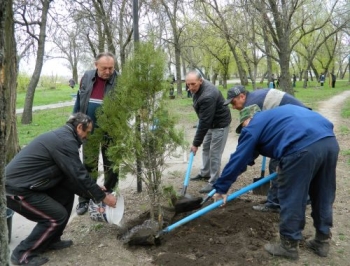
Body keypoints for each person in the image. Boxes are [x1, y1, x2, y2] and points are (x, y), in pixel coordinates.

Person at [213, 104, 338, 260]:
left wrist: (222, 187)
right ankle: (322, 241)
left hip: (301, 149)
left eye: (242, 125)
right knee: (323, 192)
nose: (243, 130)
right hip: (328, 141)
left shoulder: (253, 125)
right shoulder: (277, 115)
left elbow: (239, 158)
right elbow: (259, 150)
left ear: (249, 119)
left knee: (293, 196)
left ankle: (289, 245)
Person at [6, 113, 118, 266]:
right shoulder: (65, 142)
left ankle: (51, 240)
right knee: (55, 217)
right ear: (79, 127)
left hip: (30, 184)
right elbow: (79, 175)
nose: (87, 136)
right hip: (16, 190)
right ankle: (21, 254)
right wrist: (103, 197)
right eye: (87, 132)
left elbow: (71, 177)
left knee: (65, 193)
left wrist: (95, 189)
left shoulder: (64, 137)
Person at [223, 85, 310, 213]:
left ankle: (275, 203)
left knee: (277, 165)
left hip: (299, 126)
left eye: (234, 102)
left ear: (242, 96)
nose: (233, 107)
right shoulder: (255, 97)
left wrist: (241, 163)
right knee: (286, 165)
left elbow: (254, 141)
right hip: (302, 123)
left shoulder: (252, 106)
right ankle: (292, 198)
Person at [73, 52, 119, 215]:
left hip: (110, 131)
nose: (108, 71)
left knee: (111, 166)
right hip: (88, 131)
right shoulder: (86, 77)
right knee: (88, 165)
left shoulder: (118, 81)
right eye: (104, 68)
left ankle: (108, 194)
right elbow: (79, 100)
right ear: (95, 65)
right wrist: (75, 121)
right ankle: (85, 198)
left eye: (111, 68)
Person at [186, 70, 231, 193]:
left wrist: (195, 144)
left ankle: (214, 181)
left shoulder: (208, 95)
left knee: (214, 153)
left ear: (201, 81)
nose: (190, 87)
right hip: (210, 122)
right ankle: (205, 172)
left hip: (219, 124)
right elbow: (204, 119)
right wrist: (198, 143)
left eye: (193, 84)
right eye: (188, 84)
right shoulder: (196, 88)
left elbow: (204, 122)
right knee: (206, 147)